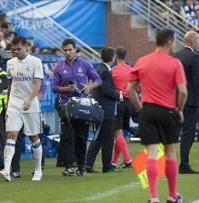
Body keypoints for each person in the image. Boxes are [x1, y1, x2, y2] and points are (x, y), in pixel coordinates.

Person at [127, 28, 187, 203]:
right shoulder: (175, 63)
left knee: (151, 153)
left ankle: (153, 198)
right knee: (170, 152)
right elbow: (183, 92)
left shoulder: (142, 61)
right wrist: (180, 109)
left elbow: (130, 89)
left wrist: (140, 108)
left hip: (148, 110)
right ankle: (172, 196)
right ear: (169, 42)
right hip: (168, 111)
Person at [51, 38, 102, 176]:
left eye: (70, 49)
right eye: (65, 50)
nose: (67, 52)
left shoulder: (85, 64)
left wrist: (89, 86)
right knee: (67, 136)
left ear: (75, 49)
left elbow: (98, 80)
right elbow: (54, 87)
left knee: (81, 137)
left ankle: (80, 167)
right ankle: (68, 166)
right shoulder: (59, 66)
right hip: (65, 105)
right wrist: (66, 89)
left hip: (82, 106)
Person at [0, 36, 44, 181]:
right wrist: (8, 104)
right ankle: (6, 170)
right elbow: (10, 85)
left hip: (30, 103)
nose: (16, 52)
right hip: (14, 104)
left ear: (26, 48)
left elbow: (38, 84)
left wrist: (30, 99)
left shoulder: (36, 62)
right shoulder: (10, 63)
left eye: (18, 49)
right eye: (13, 49)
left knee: (33, 137)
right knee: (11, 135)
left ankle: (38, 170)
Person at [85, 47, 122, 174]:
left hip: (101, 108)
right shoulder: (105, 71)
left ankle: (88, 164)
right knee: (107, 139)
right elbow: (106, 90)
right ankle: (107, 166)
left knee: (99, 137)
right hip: (106, 109)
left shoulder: (100, 69)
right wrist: (119, 95)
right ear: (113, 58)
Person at [174, 31, 199, 174]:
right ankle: (184, 164)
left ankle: (165, 163)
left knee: (172, 133)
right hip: (190, 101)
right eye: (198, 40)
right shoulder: (194, 57)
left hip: (175, 100)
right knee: (188, 134)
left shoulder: (176, 56)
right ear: (192, 41)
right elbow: (197, 82)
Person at [10, 79, 47, 178]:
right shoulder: (15, 69)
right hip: (17, 109)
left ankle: (39, 167)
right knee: (15, 137)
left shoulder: (34, 68)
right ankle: (15, 170)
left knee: (36, 137)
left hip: (32, 110)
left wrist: (34, 100)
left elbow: (43, 87)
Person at [110, 46, 136, 169]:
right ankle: (114, 161)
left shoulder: (113, 71)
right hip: (129, 103)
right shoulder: (131, 70)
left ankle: (128, 160)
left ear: (115, 56)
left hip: (118, 103)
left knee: (118, 133)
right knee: (119, 134)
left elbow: (110, 89)